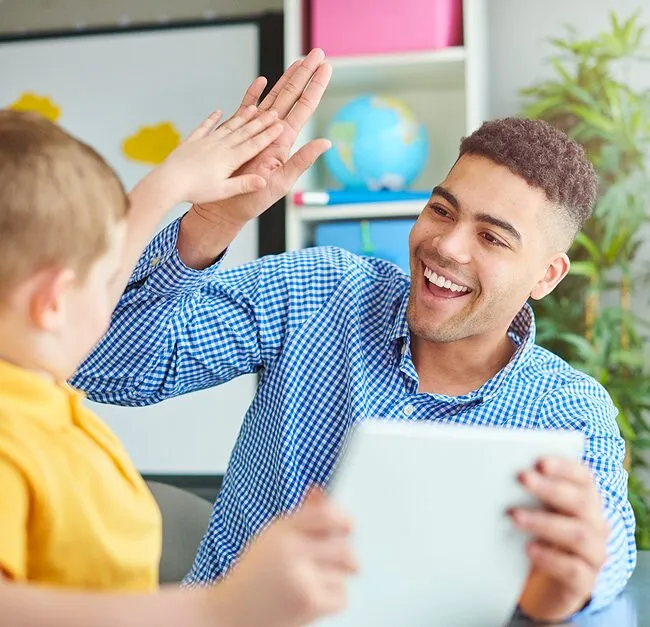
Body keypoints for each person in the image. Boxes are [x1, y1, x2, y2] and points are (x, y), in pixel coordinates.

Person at [74, 50, 636, 622]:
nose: (447, 246)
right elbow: (105, 366)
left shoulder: (566, 410)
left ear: (546, 275)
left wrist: (573, 585)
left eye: (493, 239)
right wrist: (212, 223)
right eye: (443, 210)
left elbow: (607, 553)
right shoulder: (323, 292)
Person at [0, 83, 357, 627]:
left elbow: (91, 267)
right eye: (107, 283)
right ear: (51, 302)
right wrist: (218, 609)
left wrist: (167, 187)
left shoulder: (33, 383)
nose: (118, 291)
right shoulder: (10, 433)